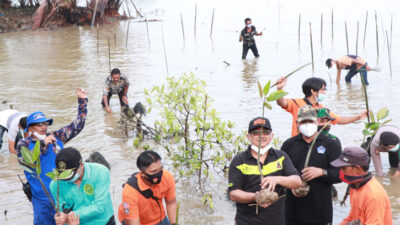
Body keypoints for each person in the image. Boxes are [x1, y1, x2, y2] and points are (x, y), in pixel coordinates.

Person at [17, 88, 88, 225]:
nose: (44, 127)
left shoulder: (56, 137)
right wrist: (43, 144)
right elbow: (27, 160)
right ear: (30, 129)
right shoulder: (23, 144)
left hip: (62, 195)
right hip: (41, 198)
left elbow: (78, 125)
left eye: (46, 124)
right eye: (39, 125)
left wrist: (82, 101)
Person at [228, 117, 302, 225]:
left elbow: (297, 181)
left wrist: (277, 179)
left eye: (266, 132)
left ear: (272, 136)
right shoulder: (239, 160)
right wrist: (256, 197)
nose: (262, 136)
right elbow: (233, 194)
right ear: (248, 137)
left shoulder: (281, 157)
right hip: (246, 221)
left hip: (276, 221)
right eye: (256, 133)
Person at [281, 105, 342, 225]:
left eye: (311, 121)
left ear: (317, 122)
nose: (307, 124)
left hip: (320, 208)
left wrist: (322, 172)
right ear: (297, 123)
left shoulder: (331, 144)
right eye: (304, 121)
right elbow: (280, 173)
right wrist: (291, 185)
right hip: (293, 208)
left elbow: (340, 175)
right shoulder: (288, 145)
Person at [275, 76, 368, 136]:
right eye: (323, 90)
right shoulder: (296, 103)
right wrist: (279, 89)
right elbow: (282, 103)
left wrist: (358, 116)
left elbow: (338, 120)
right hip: (298, 142)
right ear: (312, 91)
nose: (325, 92)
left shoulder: (322, 108)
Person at [51, 147, 115, 225]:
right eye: (63, 177)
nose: (67, 180)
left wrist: (71, 216)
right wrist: (61, 218)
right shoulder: (55, 185)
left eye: (70, 176)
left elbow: (99, 206)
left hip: (104, 222)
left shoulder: (101, 172)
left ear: (81, 165)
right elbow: (62, 210)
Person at [331, 146, 393, 225]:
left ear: (357, 169)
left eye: (343, 168)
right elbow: (352, 216)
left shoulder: (373, 196)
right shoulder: (355, 187)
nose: (340, 171)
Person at [118, 151, 177, 225]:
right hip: (139, 221)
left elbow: (171, 202)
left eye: (160, 169)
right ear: (142, 173)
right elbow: (134, 222)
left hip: (160, 217)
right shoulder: (130, 192)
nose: (158, 174)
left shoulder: (167, 177)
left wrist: (173, 223)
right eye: (154, 171)